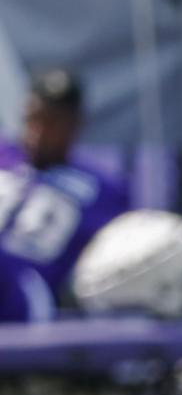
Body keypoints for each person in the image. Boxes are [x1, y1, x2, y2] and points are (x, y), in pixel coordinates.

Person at [0, 69, 128, 322]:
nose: (37, 132)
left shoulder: (102, 189)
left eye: (52, 122)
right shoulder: (5, 153)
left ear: (75, 125)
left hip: (28, 293)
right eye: (32, 118)